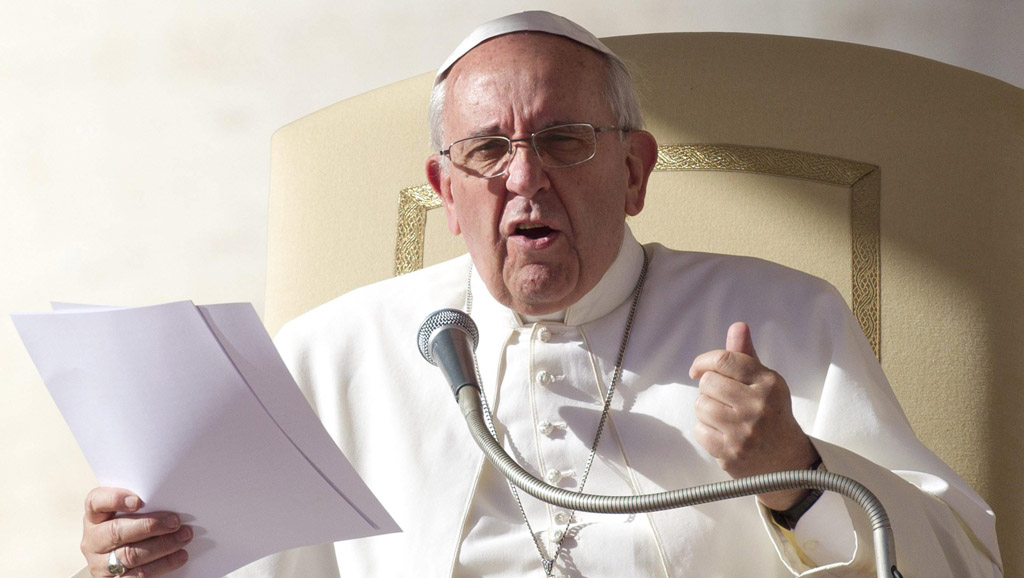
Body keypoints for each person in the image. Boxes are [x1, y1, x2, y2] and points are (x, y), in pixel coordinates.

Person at [79, 11, 1002, 578]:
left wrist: (796, 469)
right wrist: (134, 560)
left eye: (564, 141)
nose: (524, 180)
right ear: (446, 194)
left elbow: (961, 564)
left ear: (634, 172)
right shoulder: (333, 351)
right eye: (487, 152)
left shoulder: (782, 321)